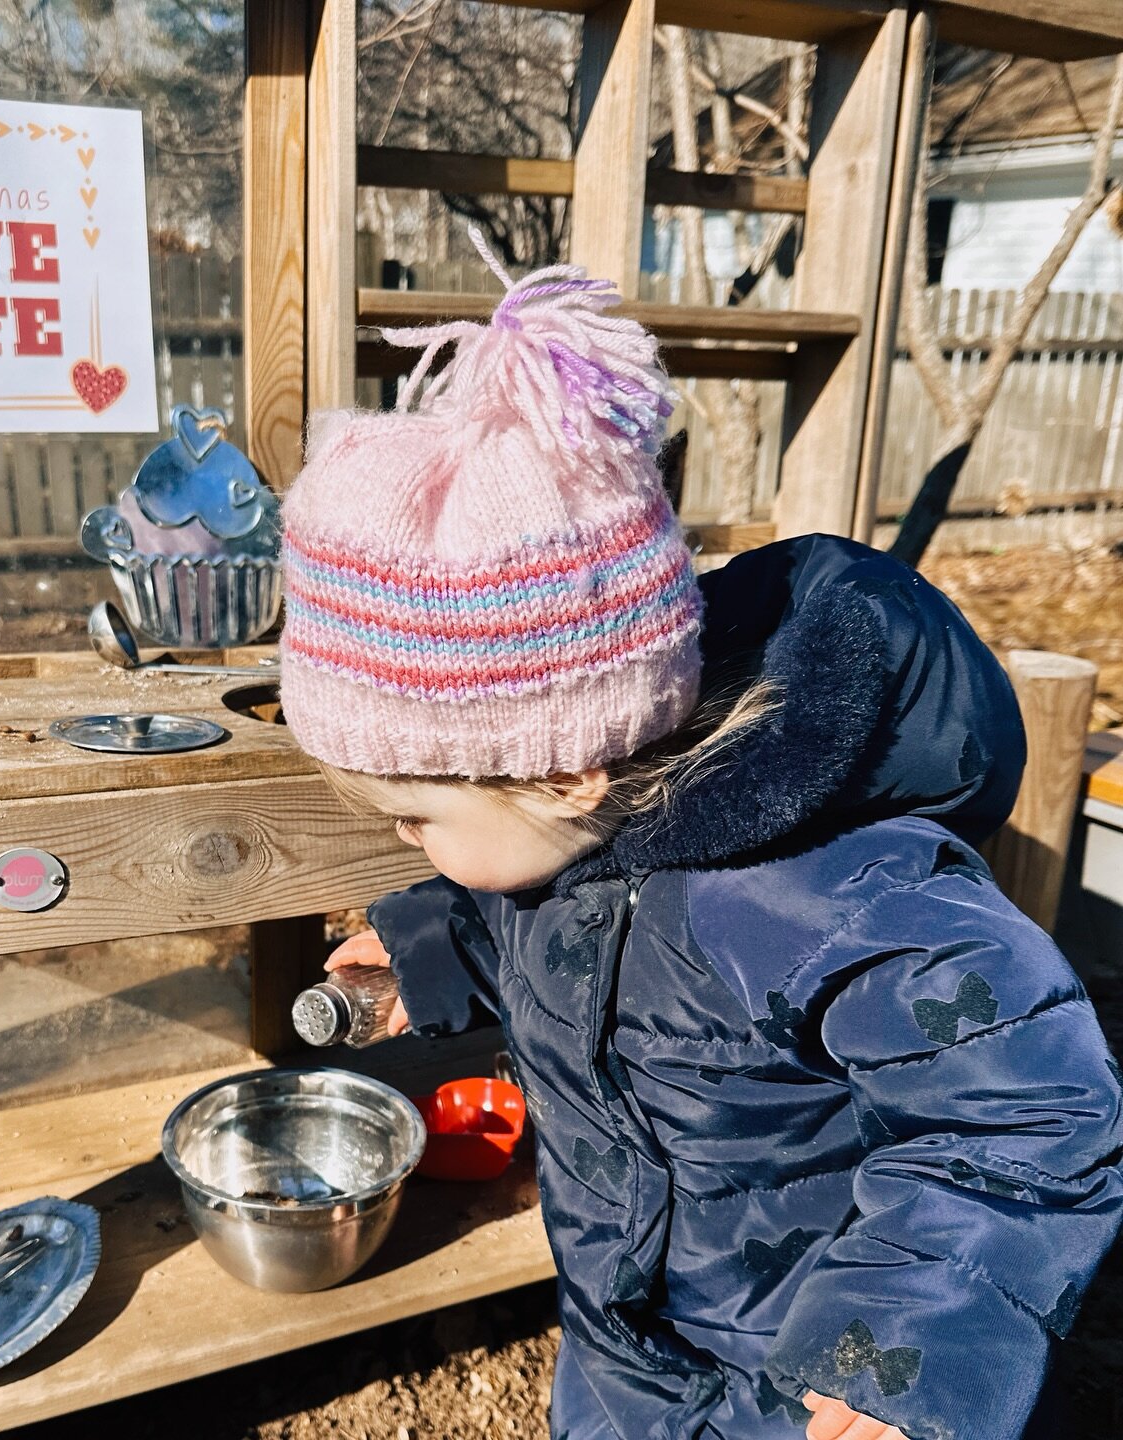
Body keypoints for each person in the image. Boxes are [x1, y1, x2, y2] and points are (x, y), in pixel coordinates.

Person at [277, 236, 1123, 1440]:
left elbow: (1023, 1106)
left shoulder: (830, 894)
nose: (413, 842)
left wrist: (898, 1345)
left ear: (565, 769)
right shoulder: (575, 824)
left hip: (802, 1360)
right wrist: (430, 947)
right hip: (626, 1334)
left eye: (417, 819)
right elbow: (545, 912)